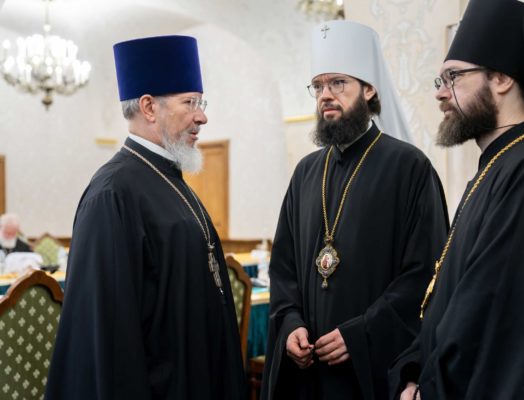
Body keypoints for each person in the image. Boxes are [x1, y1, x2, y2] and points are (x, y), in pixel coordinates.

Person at [390, 1, 524, 399]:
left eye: (453, 77)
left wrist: (429, 390)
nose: (441, 94)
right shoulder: (498, 166)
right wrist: (413, 372)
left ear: (501, 78)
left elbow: (495, 318)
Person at [45, 35, 246, 399]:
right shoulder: (112, 194)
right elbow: (108, 340)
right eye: (190, 102)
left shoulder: (170, 179)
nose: (202, 116)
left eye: (201, 103)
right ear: (149, 107)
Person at [261, 20, 449, 400]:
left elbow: (424, 275)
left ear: (369, 88)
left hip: (373, 372)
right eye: (318, 86)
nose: (325, 96)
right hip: (309, 374)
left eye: (338, 83)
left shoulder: (409, 168)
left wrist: (362, 333)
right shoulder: (306, 173)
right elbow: (283, 268)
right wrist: (291, 323)